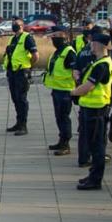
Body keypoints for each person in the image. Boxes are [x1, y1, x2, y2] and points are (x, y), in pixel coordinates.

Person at [71, 32, 112, 190]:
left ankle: (95, 180)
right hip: (91, 108)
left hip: (96, 109)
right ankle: (92, 174)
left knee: (97, 146)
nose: (91, 46)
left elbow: (88, 86)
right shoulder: (98, 63)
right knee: (92, 143)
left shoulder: (102, 65)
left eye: (93, 43)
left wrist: (73, 93)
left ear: (98, 45)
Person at [43, 25, 76, 155]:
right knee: (59, 117)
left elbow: (75, 71)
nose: (53, 39)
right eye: (53, 36)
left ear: (64, 36)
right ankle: (61, 140)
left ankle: (66, 144)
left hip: (65, 90)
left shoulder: (69, 52)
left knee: (64, 117)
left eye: (56, 36)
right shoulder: (57, 52)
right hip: (57, 89)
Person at [3, 16, 38, 134]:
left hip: (22, 73)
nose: (14, 25)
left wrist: (28, 67)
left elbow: (35, 56)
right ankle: (18, 123)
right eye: (13, 24)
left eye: (16, 24)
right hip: (12, 72)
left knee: (21, 99)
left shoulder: (27, 38)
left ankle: (23, 126)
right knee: (15, 98)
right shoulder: (12, 39)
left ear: (22, 26)